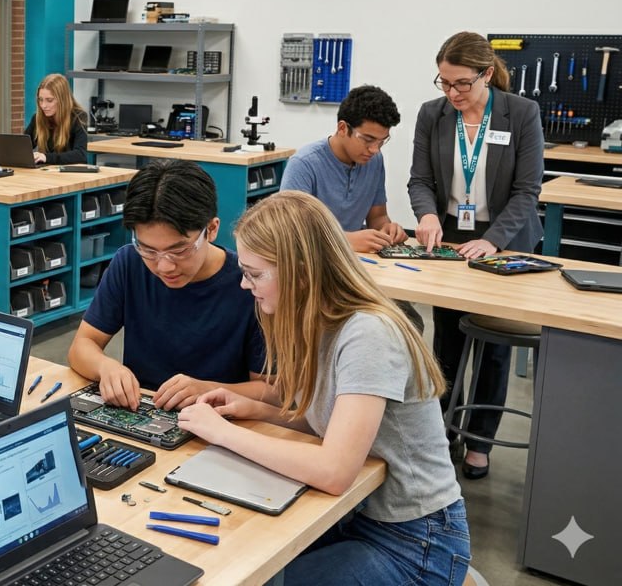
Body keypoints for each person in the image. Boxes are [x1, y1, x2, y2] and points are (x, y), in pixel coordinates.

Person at [178, 191, 469, 584]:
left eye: (255, 273)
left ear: (300, 271)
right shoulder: (317, 318)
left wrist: (222, 433)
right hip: (359, 516)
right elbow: (331, 419)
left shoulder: (368, 333)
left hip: (416, 541)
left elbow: (334, 470)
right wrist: (260, 410)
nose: (246, 286)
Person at [409, 31, 544, 480]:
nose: (452, 93)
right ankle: (440, 432)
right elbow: (420, 180)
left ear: (487, 74)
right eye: (444, 83)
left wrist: (496, 240)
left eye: (461, 84)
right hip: (448, 239)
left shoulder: (522, 113)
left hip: (504, 239)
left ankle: (480, 441)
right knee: (447, 339)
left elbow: (527, 191)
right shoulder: (433, 114)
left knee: (493, 344)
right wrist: (427, 216)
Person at [67, 159, 267, 411]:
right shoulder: (129, 263)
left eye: (180, 250)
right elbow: (82, 346)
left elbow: (270, 390)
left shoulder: (250, 285)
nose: (164, 267)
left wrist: (208, 388)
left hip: (219, 421)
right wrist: (106, 367)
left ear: (212, 229)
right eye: (148, 249)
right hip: (142, 414)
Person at [281, 85, 408, 253]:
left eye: (382, 141)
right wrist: (345, 241)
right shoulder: (304, 164)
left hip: (354, 262)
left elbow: (377, 217)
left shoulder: (374, 160)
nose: (375, 149)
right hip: (309, 264)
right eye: (368, 139)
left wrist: (387, 230)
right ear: (342, 128)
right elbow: (290, 232)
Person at [25, 73, 89, 165]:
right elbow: (22, 148)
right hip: (47, 174)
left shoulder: (78, 118)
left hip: (71, 175)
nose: (43, 105)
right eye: (40, 99)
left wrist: (46, 157)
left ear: (62, 100)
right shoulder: (37, 118)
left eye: (49, 100)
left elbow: (80, 155)